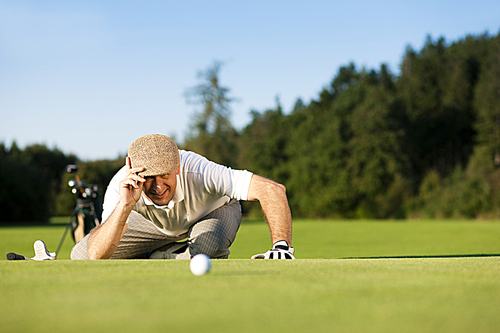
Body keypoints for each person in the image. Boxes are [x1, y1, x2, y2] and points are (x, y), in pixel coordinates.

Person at [71, 134, 295, 260]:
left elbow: (272, 189)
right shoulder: (122, 185)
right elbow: (96, 255)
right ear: (131, 168)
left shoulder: (201, 170)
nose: (158, 187)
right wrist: (125, 205)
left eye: (165, 176)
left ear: (178, 166)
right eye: (149, 178)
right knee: (81, 255)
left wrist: (281, 247)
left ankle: (178, 254)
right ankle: (162, 255)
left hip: (213, 212)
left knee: (204, 251)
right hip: (155, 225)